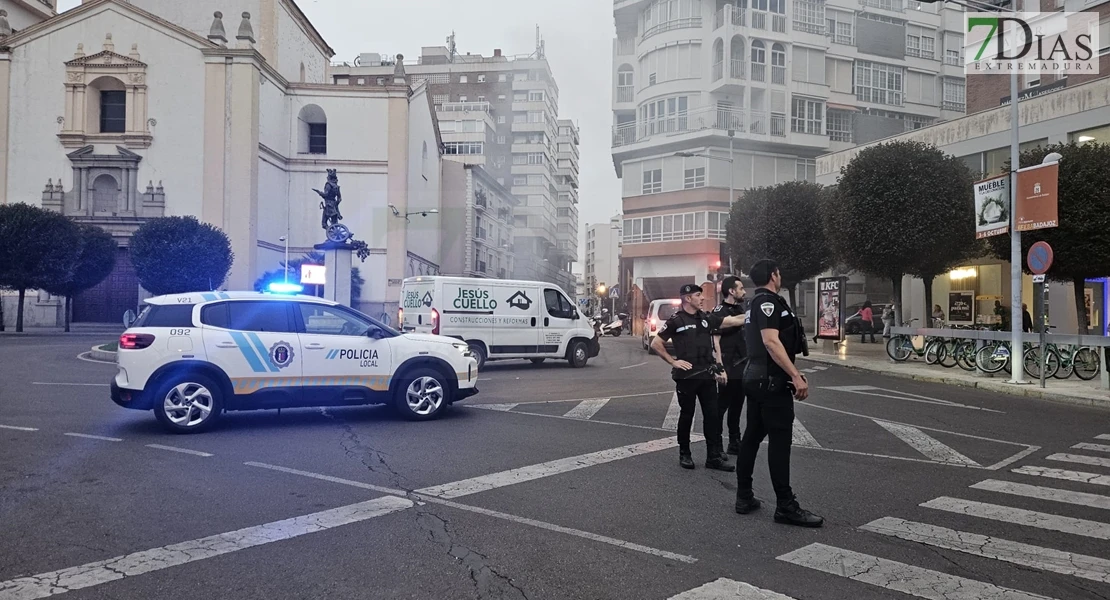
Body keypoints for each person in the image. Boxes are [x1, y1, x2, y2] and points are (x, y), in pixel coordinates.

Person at [734, 259, 823, 528]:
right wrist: (794, 376)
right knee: (780, 440)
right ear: (774, 275)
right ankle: (785, 505)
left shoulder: (755, 302)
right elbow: (771, 342)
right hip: (770, 381)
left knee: (752, 435)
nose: (780, 276)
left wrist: (792, 371)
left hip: (758, 377)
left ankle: (744, 496)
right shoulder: (767, 302)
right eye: (779, 272)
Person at [652, 284, 746, 471]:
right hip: (686, 377)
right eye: (698, 295)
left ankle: (713, 457)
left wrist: (753, 315)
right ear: (687, 298)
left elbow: (731, 322)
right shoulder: (676, 321)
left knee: (711, 415)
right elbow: (656, 343)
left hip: (707, 375)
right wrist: (673, 362)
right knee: (687, 415)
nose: (702, 298)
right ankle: (685, 453)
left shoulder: (706, 318)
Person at [712, 276, 748, 456]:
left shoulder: (739, 308)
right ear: (732, 291)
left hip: (741, 365)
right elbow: (715, 341)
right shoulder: (719, 311)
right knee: (721, 408)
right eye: (741, 288)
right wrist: (720, 368)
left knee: (737, 406)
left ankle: (734, 442)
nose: (744, 291)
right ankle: (716, 445)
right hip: (728, 365)